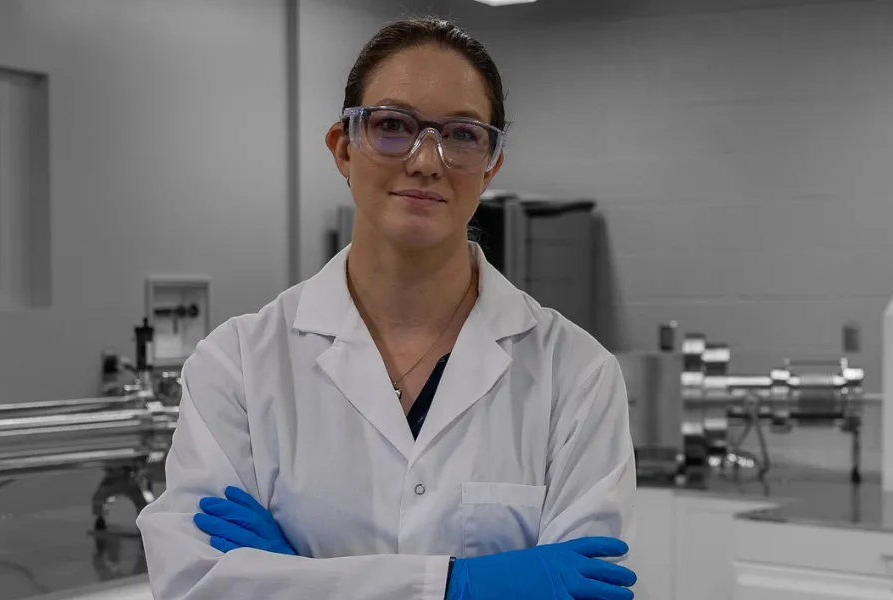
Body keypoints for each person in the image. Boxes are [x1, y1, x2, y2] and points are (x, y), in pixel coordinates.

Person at [137, 17, 637, 600]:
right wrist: (460, 585)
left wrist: (296, 578)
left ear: (492, 162)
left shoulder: (576, 375)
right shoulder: (238, 365)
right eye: (393, 126)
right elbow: (198, 586)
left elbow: (591, 592)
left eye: (462, 134)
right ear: (343, 147)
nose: (427, 160)